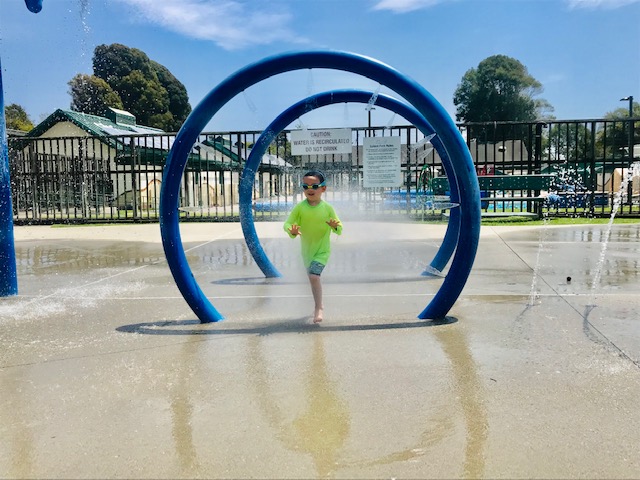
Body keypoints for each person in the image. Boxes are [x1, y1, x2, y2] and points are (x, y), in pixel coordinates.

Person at [284, 171, 342, 323]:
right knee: (312, 280)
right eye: (305, 186)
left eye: (314, 186)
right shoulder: (300, 208)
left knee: (314, 276)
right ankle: (318, 304)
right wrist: (291, 230)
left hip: (322, 251)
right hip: (306, 252)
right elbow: (287, 223)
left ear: (323, 189)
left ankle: (319, 308)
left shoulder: (328, 208)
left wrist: (336, 226)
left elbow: (339, 228)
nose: (310, 189)